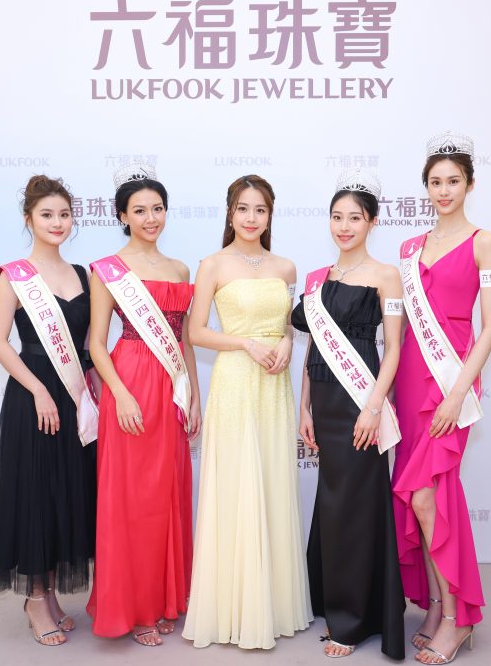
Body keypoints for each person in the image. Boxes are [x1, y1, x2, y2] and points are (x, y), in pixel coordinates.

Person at [182, 174, 313, 650]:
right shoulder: (213, 264)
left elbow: (287, 325)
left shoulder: (285, 266)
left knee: (273, 482)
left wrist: (284, 341)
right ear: (230, 212)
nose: (251, 218)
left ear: (270, 214)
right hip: (236, 382)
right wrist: (245, 344)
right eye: (243, 208)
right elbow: (195, 332)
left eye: (260, 209)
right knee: (237, 483)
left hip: (273, 386)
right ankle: (232, 608)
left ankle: (273, 605)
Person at [392, 132, 491, 664]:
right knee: (428, 499)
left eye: (453, 181)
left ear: (470, 185)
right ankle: (438, 605)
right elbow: (399, 328)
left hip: (452, 377)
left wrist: (458, 393)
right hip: (410, 378)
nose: (444, 191)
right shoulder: (409, 249)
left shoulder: (484, 241)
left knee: (427, 496)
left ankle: (458, 620)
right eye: (435, 182)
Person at [85, 163, 202, 647]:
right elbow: (95, 343)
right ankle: (132, 610)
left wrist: (194, 395)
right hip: (129, 381)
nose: (151, 218)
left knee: (166, 494)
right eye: (139, 210)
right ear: (122, 216)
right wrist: (121, 393)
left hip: (171, 385)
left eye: (157, 209)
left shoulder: (180, 269)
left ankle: (161, 599)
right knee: (132, 499)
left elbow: (185, 340)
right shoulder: (107, 269)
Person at [291, 169, 406, 659]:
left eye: (354, 218)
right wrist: (304, 406)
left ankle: (354, 619)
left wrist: (374, 407)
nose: (344, 226)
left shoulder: (386, 275)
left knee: (355, 507)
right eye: (337, 217)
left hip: (362, 400)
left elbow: (394, 348)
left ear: (372, 222)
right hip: (324, 399)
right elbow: (312, 346)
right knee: (333, 503)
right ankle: (333, 599)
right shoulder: (318, 278)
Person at [0, 174, 97, 646]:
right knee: (36, 494)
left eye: (64, 214)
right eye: (47, 214)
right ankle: (34, 599)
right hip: (34, 399)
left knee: (64, 493)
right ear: (29, 219)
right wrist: (37, 391)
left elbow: (89, 344)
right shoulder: (15, 275)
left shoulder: (84, 275)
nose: (57, 222)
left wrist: (93, 386)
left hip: (74, 396)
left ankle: (51, 596)